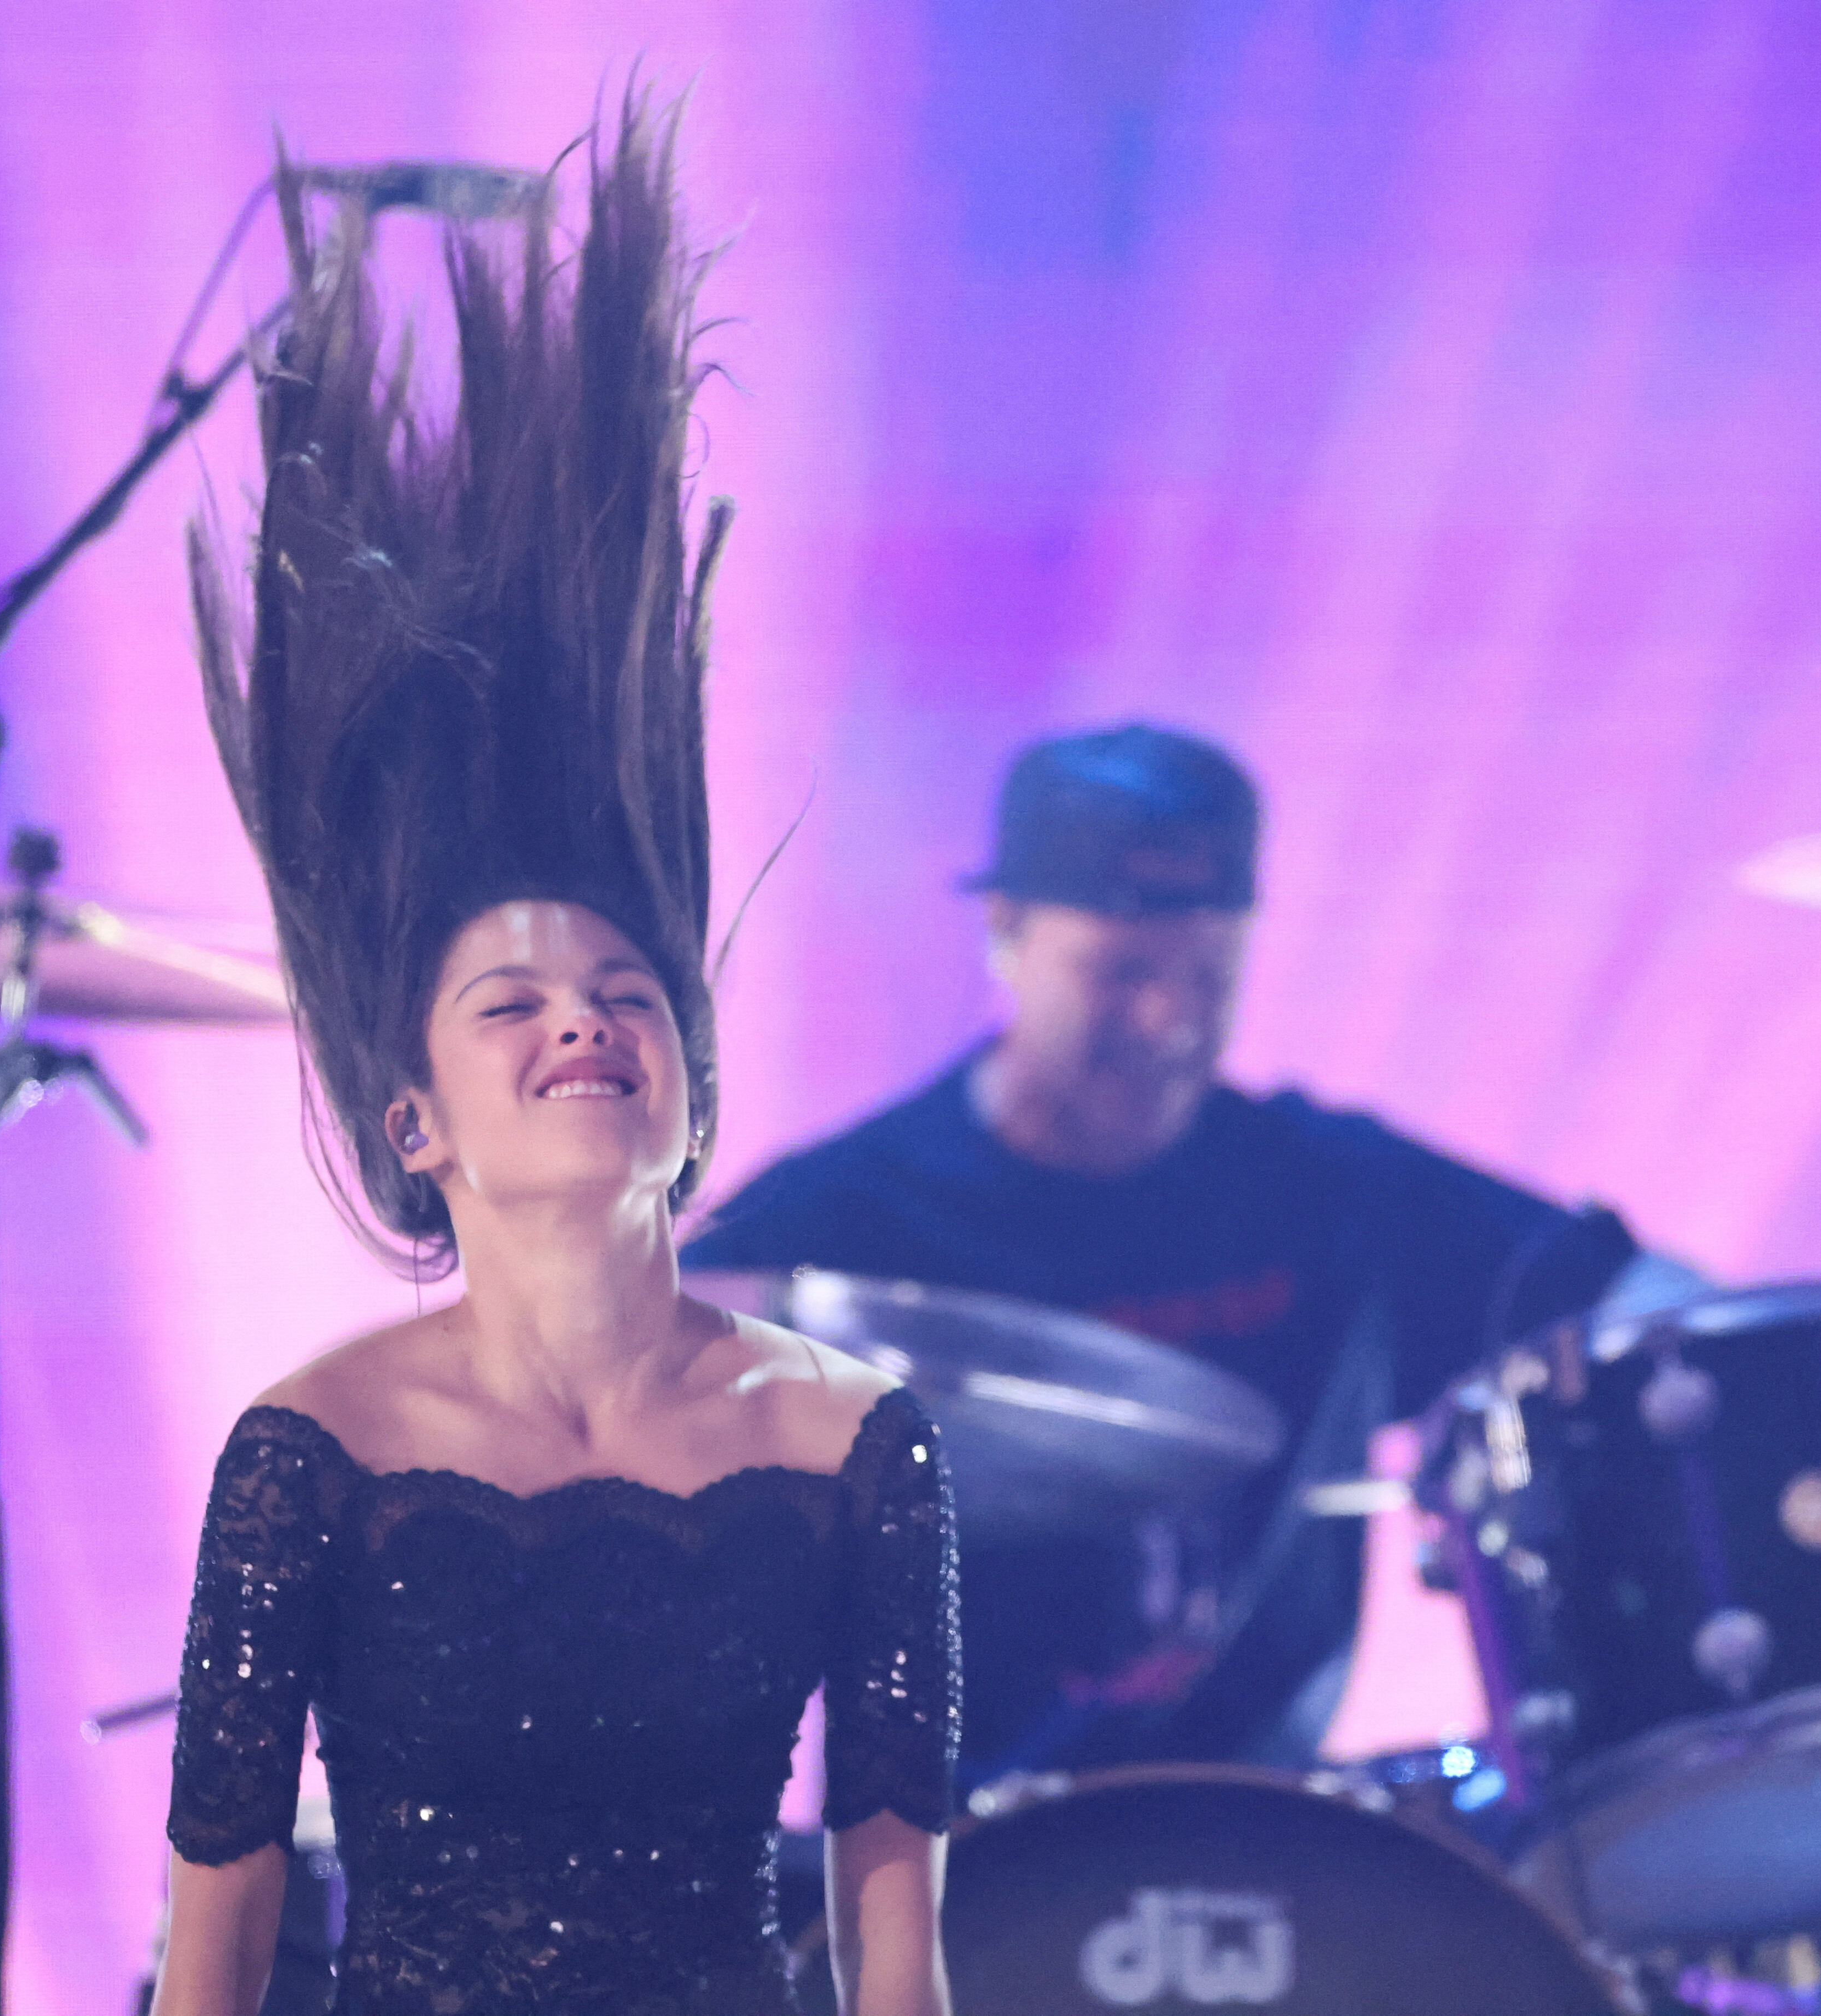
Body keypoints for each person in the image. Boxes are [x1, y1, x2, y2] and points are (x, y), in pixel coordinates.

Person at [151, 105, 960, 2016]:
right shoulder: (310, 1454)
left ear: (691, 1088)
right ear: (413, 1119)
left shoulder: (856, 1442)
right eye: (509, 1005)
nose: (582, 1017)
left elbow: (898, 1951)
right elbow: (215, 1953)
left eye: (624, 991)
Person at [683, 723, 1657, 1779]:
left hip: (1269, 1819)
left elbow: (1650, 1309)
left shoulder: (1333, 1189)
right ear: (1004, 932)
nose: (1168, 1021)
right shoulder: (847, 1216)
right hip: (950, 1836)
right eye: (1122, 973)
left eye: (1208, 976)